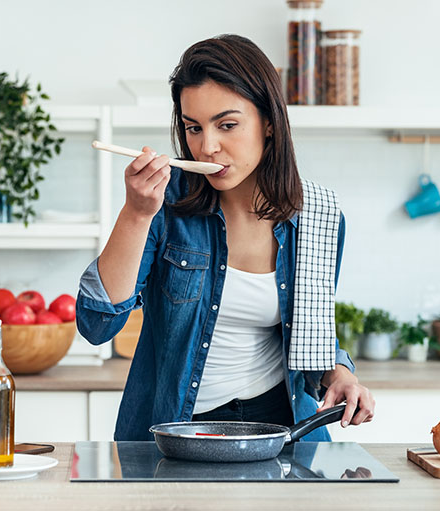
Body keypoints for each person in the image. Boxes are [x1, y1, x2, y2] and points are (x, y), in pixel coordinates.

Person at [76, 34, 374, 442]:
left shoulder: (319, 216)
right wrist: (136, 212)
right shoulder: (165, 204)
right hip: (178, 431)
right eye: (193, 128)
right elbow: (96, 324)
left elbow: (310, 335)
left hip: (282, 431)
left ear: (269, 122)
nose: (207, 147)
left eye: (227, 125)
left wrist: (339, 373)